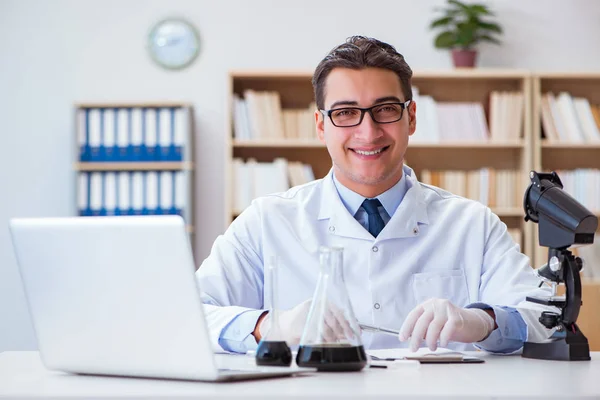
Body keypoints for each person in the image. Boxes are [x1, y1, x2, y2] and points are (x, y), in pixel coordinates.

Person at [196, 35, 553, 354]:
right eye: (346, 112)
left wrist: (482, 320)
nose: (368, 132)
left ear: (411, 118)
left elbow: (543, 317)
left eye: (385, 110)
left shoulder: (471, 223)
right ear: (321, 125)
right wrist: (269, 326)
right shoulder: (266, 221)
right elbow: (191, 313)